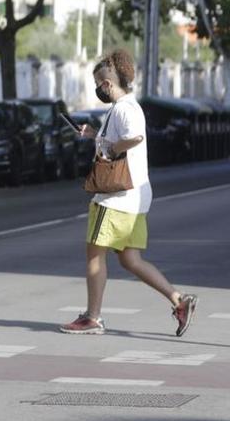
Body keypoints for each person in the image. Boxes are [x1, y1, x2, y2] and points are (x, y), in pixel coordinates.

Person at [59, 48, 197, 336]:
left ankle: (92, 317)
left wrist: (109, 149)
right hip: (134, 198)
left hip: (114, 197)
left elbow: (134, 137)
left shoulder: (122, 109)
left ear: (108, 84)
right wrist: (94, 135)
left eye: (99, 84)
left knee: (95, 257)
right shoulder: (128, 107)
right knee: (130, 259)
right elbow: (123, 137)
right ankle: (178, 300)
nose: (98, 89)